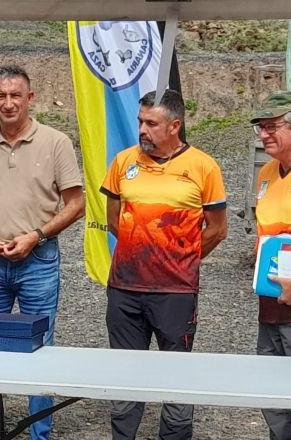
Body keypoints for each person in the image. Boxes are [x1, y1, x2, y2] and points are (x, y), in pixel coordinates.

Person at [0, 64, 84, 440]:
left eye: (16, 96)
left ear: (30, 98)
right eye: (1, 96)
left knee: (41, 348)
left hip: (37, 261)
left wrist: (37, 235)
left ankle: (38, 434)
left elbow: (76, 203)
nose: (8, 103)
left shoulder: (56, 142)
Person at [100, 89, 227, 440]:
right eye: (140, 121)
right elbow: (113, 220)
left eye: (151, 123)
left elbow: (217, 230)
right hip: (125, 290)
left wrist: (179, 257)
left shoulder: (203, 167)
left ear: (175, 125)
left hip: (175, 292)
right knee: (126, 376)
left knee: (175, 376)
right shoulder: (124, 162)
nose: (142, 129)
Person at [250, 91, 291, 440]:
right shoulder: (266, 172)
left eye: (273, 126)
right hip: (271, 301)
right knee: (272, 389)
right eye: (261, 128)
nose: (265, 134)